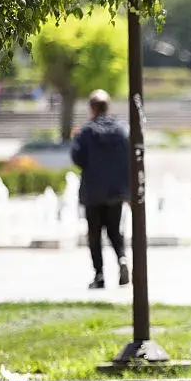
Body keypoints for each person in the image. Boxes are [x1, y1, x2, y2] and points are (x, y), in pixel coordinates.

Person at [70, 90, 130, 290]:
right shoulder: (121, 130)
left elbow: (77, 158)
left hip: (93, 191)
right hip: (115, 192)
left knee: (94, 235)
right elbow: (129, 160)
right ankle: (122, 259)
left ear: (92, 108)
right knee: (114, 230)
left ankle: (99, 274)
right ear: (108, 107)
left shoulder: (86, 132)